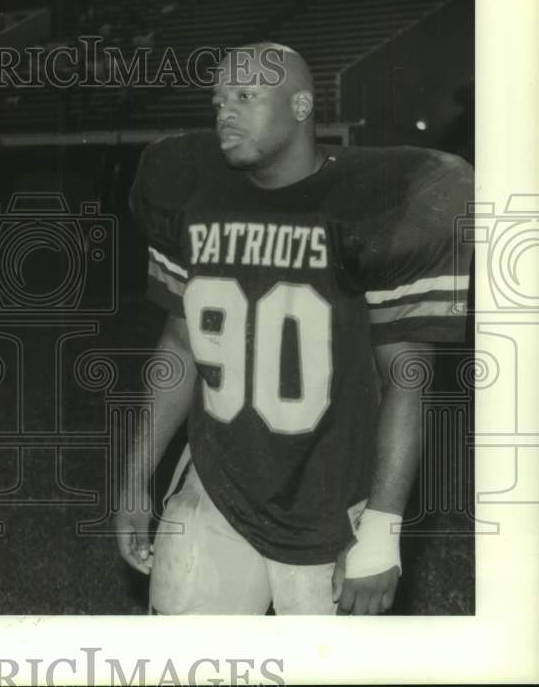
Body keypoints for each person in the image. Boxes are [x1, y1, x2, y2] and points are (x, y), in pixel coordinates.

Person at [116, 43, 472, 615]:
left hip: (333, 510)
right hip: (217, 487)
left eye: (246, 96)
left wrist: (381, 530)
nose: (224, 113)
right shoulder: (193, 192)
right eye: (218, 99)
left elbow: (408, 379)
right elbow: (179, 345)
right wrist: (135, 477)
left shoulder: (374, 203)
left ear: (302, 105)